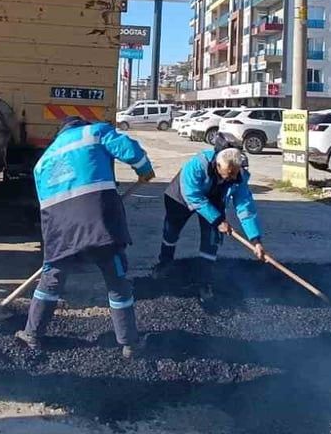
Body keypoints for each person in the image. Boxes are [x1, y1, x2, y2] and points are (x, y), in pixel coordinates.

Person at [17, 116, 155, 358]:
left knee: (52, 276)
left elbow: (44, 205)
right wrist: (144, 169)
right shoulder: (95, 132)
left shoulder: (42, 162)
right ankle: (130, 344)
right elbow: (129, 149)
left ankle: (32, 334)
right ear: (79, 125)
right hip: (97, 220)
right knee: (116, 279)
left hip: (58, 227)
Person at [157, 146, 265, 277]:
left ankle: (204, 279)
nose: (231, 178)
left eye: (234, 173)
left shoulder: (239, 176)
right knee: (171, 231)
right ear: (218, 166)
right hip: (182, 196)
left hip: (214, 198)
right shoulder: (197, 165)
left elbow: (245, 206)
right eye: (229, 173)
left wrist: (255, 240)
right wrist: (218, 220)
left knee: (211, 239)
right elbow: (193, 196)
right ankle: (164, 264)